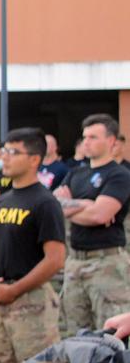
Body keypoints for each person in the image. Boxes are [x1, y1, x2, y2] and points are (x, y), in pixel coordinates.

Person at [0, 128, 66, 363]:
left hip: (31, 302)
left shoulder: (45, 202)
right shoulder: (0, 201)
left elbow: (55, 259)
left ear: (34, 160)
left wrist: (15, 290)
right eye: (4, 151)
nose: (4, 157)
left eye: (13, 152)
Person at [55, 114, 130, 333]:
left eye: (93, 137)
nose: (86, 141)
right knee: (75, 333)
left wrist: (70, 208)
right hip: (75, 263)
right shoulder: (75, 173)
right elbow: (55, 203)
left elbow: (99, 214)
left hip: (106, 263)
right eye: (85, 137)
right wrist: (85, 205)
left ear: (112, 141)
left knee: (111, 333)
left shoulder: (120, 175)